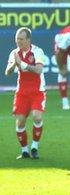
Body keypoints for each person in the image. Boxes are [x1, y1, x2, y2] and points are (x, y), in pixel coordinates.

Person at [5, 27, 46, 160]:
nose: (18, 41)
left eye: (21, 39)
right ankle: (24, 151)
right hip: (22, 92)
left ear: (28, 40)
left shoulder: (37, 51)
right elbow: (8, 72)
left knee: (37, 117)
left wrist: (22, 64)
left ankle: (34, 147)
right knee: (20, 122)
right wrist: (14, 64)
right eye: (17, 39)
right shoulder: (14, 53)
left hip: (37, 90)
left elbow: (38, 70)